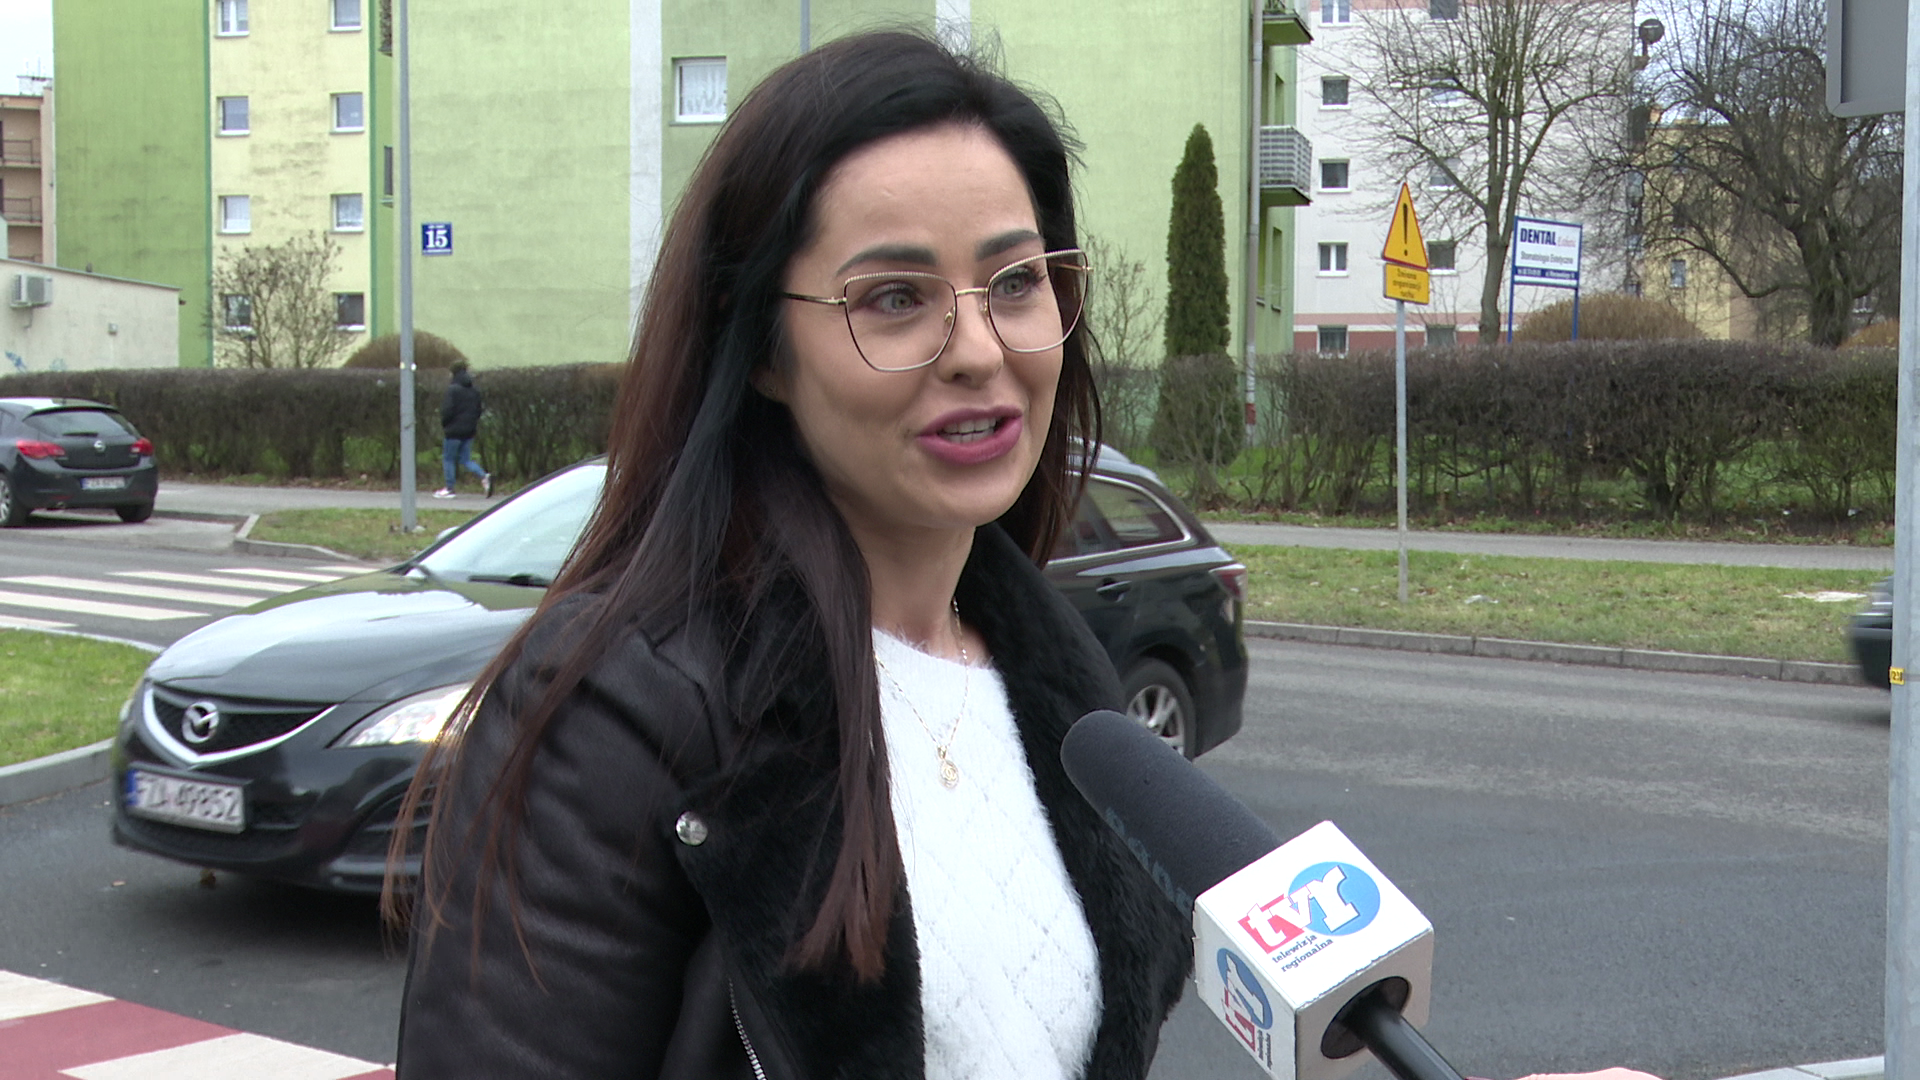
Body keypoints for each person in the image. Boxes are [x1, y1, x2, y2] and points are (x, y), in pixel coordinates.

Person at [392, 31, 1187, 1080]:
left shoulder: (1062, 681)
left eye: (1015, 282)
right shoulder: (621, 715)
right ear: (763, 348)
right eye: (895, 298)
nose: (980, 350)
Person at [434, 360, 491, 498]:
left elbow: (447, 411)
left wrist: (445, 424)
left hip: (453, 431)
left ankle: (449, 488)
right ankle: (484, 476)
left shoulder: (452, 390)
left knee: (448, 459)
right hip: (469, 431)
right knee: (466, 460)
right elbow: (478, 410)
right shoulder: (474, 391)